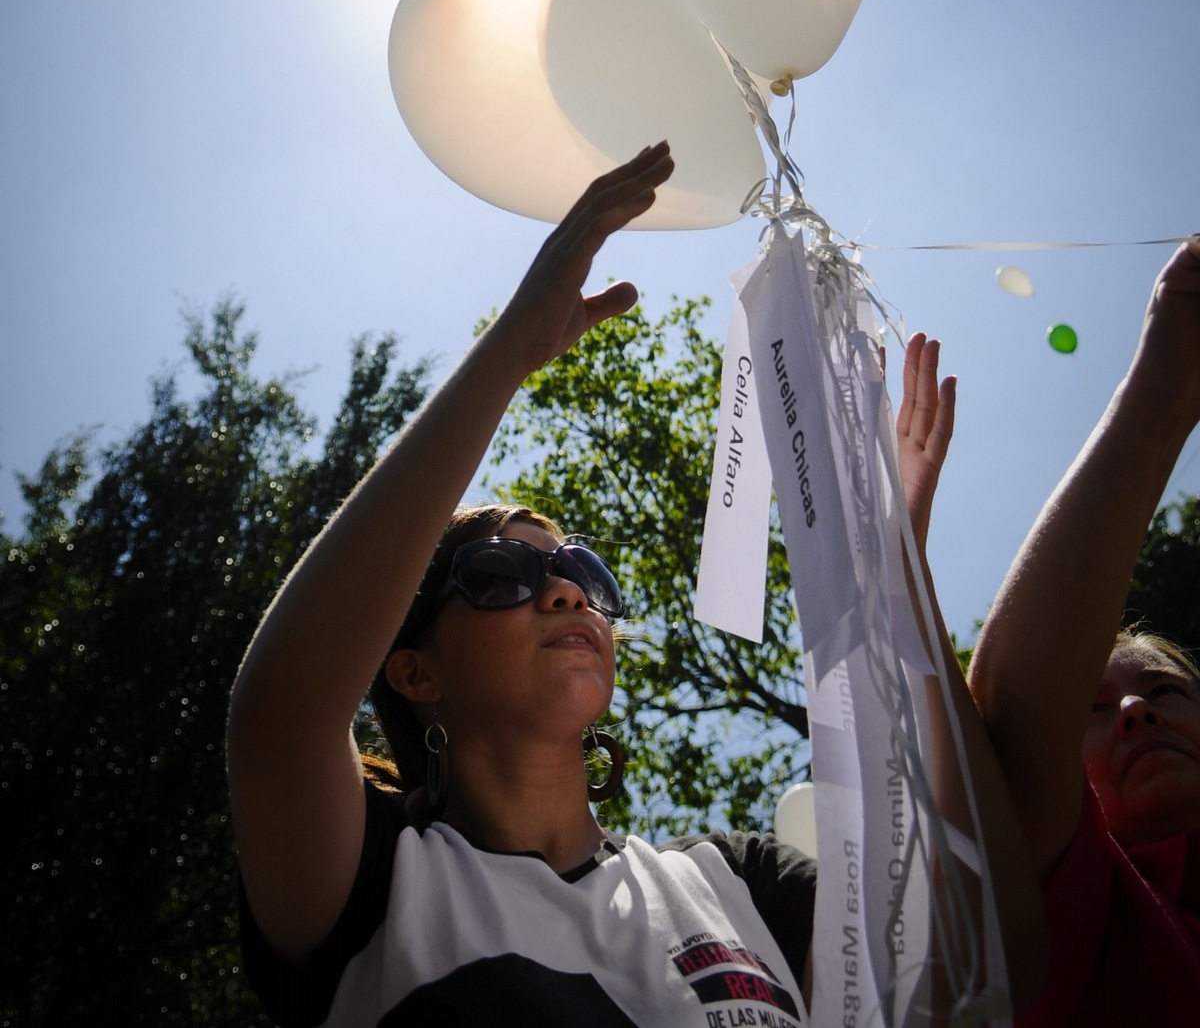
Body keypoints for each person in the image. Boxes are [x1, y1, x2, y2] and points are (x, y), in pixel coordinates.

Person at [228, 144, 1043, 1025]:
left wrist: (893, 596)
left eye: (584, 572)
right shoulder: (376, 878)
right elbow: (281, 713)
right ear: (414, 669)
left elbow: (991, 968)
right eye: (501, 575)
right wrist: (506, 357)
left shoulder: (741, 882)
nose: (568, 593)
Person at [967, 234, 1200, 1026]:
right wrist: (1166, 386)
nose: (1139, 711)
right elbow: (1011, 719)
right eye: (1095, 709)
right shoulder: (1083, 910)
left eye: (1167, 691)